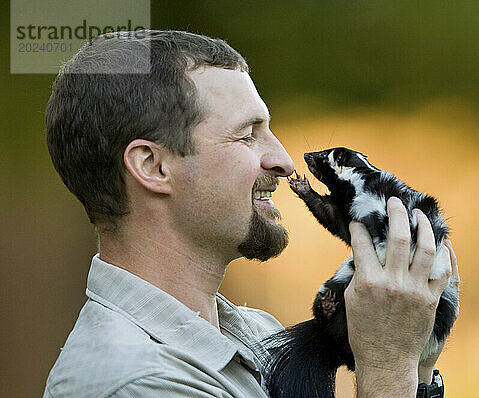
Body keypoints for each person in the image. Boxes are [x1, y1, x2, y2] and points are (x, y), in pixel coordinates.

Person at [43, 30, 458, 397]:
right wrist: (386, 367)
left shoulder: (260, 334)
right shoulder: (134, 381)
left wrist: (415, 363)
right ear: (154, 167)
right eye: (247, 135)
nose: (283, 159)